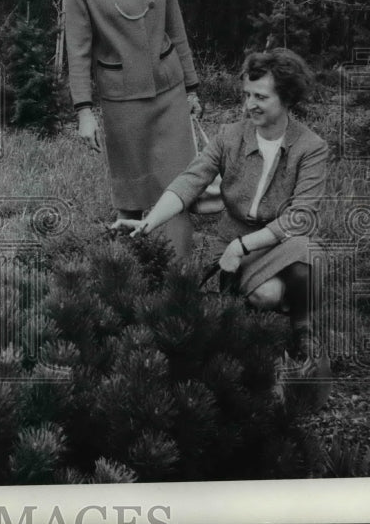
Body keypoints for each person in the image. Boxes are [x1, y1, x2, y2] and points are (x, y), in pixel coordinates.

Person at [112, 48, 329, 359]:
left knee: (304, 256)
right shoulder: (230, 136)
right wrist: (150, 221)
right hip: (228, 239)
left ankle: (302, 330)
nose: (249, 105)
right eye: (247, 95)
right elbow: (190, 181)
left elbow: (301, 218)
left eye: (261, 97)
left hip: (278, 242)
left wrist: (242, 246)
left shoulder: (311, 148)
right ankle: (240, 326)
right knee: (251, 294)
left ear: (288, 98)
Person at [65, 0, 202, 261]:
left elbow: (176, 28)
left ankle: (179, 280)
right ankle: (129, 278)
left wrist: (192, 88)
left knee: (177, 187)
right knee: (131, 191)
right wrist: (84, 112)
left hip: (170, 92)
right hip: (121, 100)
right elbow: (78, 53)